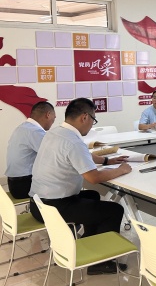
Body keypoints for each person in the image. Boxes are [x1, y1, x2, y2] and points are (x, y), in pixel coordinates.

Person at [29, 98, 132, 275]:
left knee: (92, 196)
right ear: (85, 117)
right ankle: (101, 262)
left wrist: (107, 160)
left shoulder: (56, 133)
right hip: (54, 206)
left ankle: (89, 242)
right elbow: (93, 177)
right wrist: (121, 170)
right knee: (114, 210)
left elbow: (82, 156)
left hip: (38, 203)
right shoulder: (73, 141)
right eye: (93, 119)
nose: (92, 125)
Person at [5, 102, 56, 199]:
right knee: (65, 188)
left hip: (14, 184)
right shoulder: (35, 131)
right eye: (54, 117)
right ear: (48, 115)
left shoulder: (22, 128)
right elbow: (55, 155)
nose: (54, 121)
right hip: (24, 185)